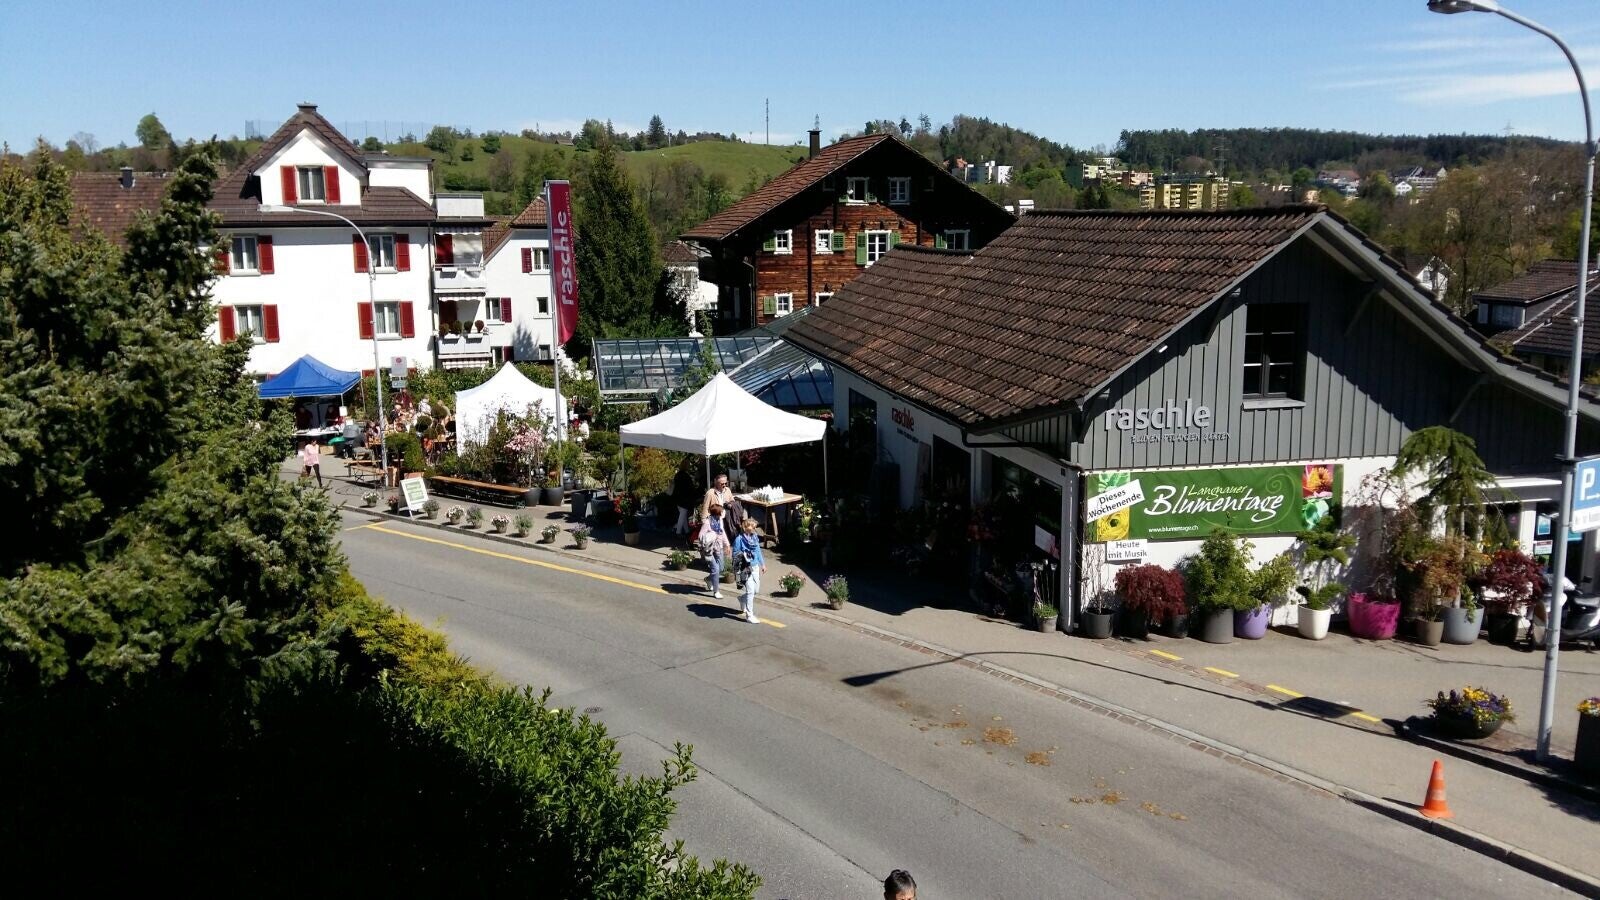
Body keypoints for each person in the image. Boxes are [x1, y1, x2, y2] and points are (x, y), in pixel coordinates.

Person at [733, 518, 766, 624]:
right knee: (751, 591)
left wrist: (762, 564)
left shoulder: (755, 537)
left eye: (754, 527)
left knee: (756, 590)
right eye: (751, 526)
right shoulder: (739, 539)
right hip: (745, 568)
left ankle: (742, 599)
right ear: (745, 527)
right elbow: (735, 555)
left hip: (755, 567)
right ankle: (749, 615)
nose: (753, 529)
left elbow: (758, 551)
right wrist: (743, 557)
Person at [697, 503, 731, 600]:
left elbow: (722, 532)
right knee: (715, 570)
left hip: (719, 548)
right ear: (717, 513)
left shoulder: (720, 520)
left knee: (721, 568)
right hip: (709, 550)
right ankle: (716, 591)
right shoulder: (707, 523)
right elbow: (700, 536)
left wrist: (727, 545)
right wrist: (710, 537)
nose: (723, 513)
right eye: (721, 511)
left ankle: (708, 579)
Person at [672, 461, 698, 535]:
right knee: (683, 514)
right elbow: (689, 488)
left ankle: (687, 531)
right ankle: (678, 532)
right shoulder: (686, 476)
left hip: (677, 497)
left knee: (683, 515)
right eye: (688, 465)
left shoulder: (677, 475)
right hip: (684, 498)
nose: (689, 466)